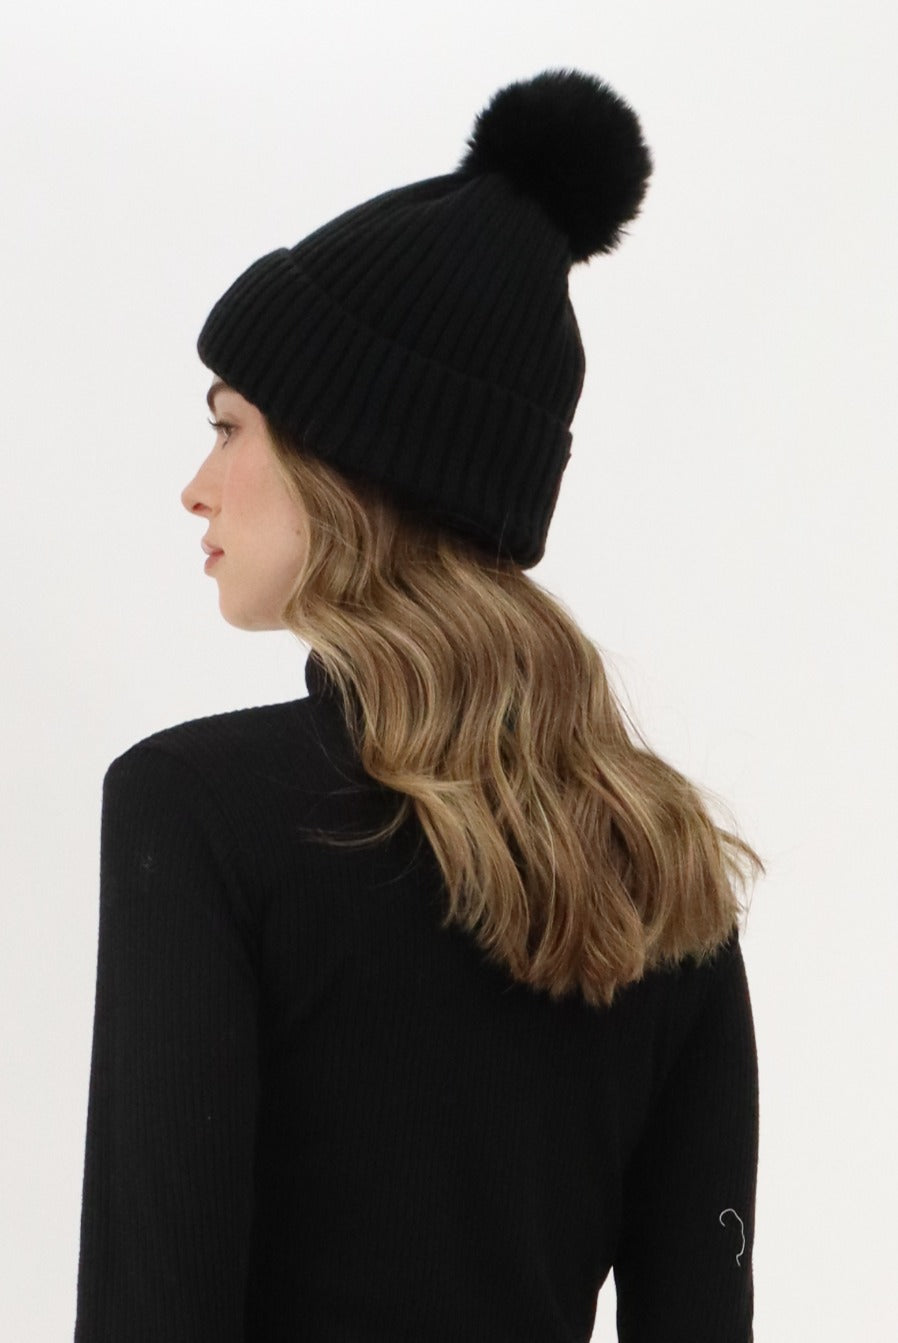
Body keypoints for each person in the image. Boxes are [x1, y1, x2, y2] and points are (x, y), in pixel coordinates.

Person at [73, 68, 763, 1342]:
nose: (196, 486)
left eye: (229, 425)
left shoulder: (196, 810)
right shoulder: (659, 857)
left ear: (346, 458)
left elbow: (151, 1309)